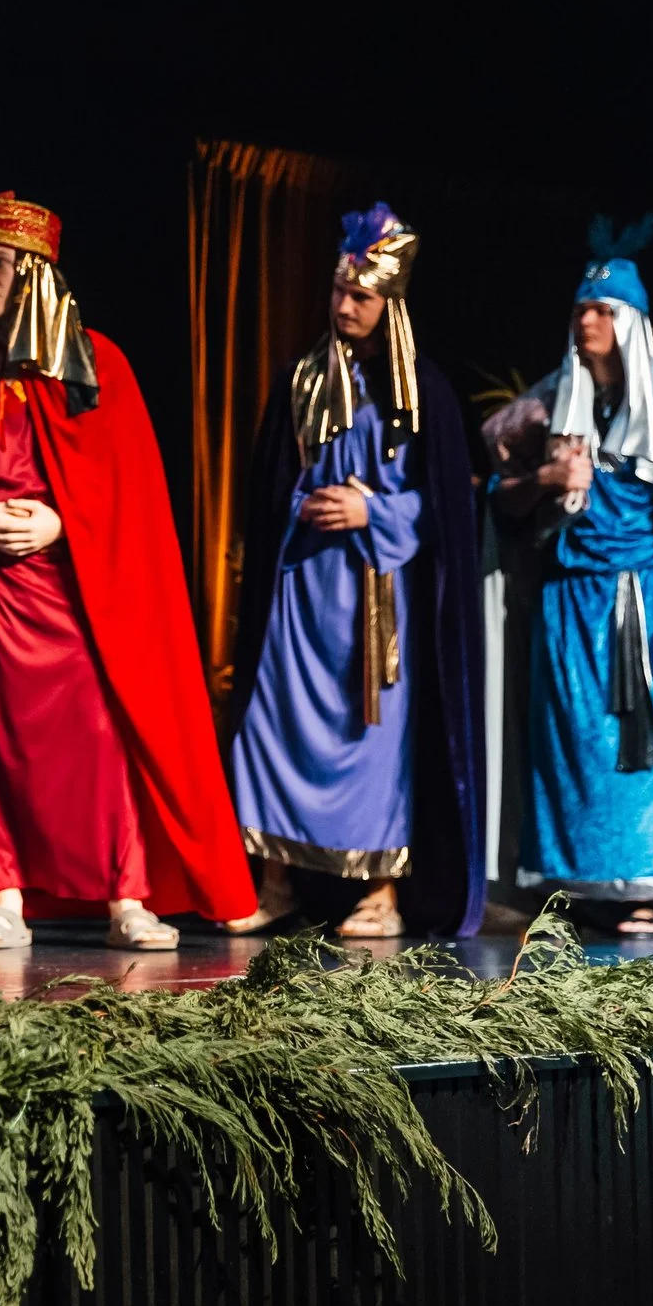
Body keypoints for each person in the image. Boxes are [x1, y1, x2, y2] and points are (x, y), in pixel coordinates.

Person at [0, 191, 255, 950]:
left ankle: (126, 896)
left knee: (100, 739)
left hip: (67, 594)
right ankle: (2, 897)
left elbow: (127, 494)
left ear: (36, 271)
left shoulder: (98, 366)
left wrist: (63, 520)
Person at [479, 216, 653, 936]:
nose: (587, 320)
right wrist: (547, 474)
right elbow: (499, 502)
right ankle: (576, 890)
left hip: (647, 602)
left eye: (602, 309)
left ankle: (649, 889)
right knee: (571, 754)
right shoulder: (544, 410)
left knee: (645, 758)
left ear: (631, 323)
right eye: (580, 308)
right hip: (568, 606)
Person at [225, 204, 488, 938]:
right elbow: (268, 481)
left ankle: (382, 890)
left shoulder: (422, 392)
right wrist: (303, 501)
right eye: (339, 291)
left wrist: (372, 510)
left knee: (378, 742)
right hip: (303, 590)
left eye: (361, 296)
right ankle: (274, 878)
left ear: (390, 302)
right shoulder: (300, 380)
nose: (344, 306)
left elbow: (447, 511)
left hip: (377, 598)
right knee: (271, 727)